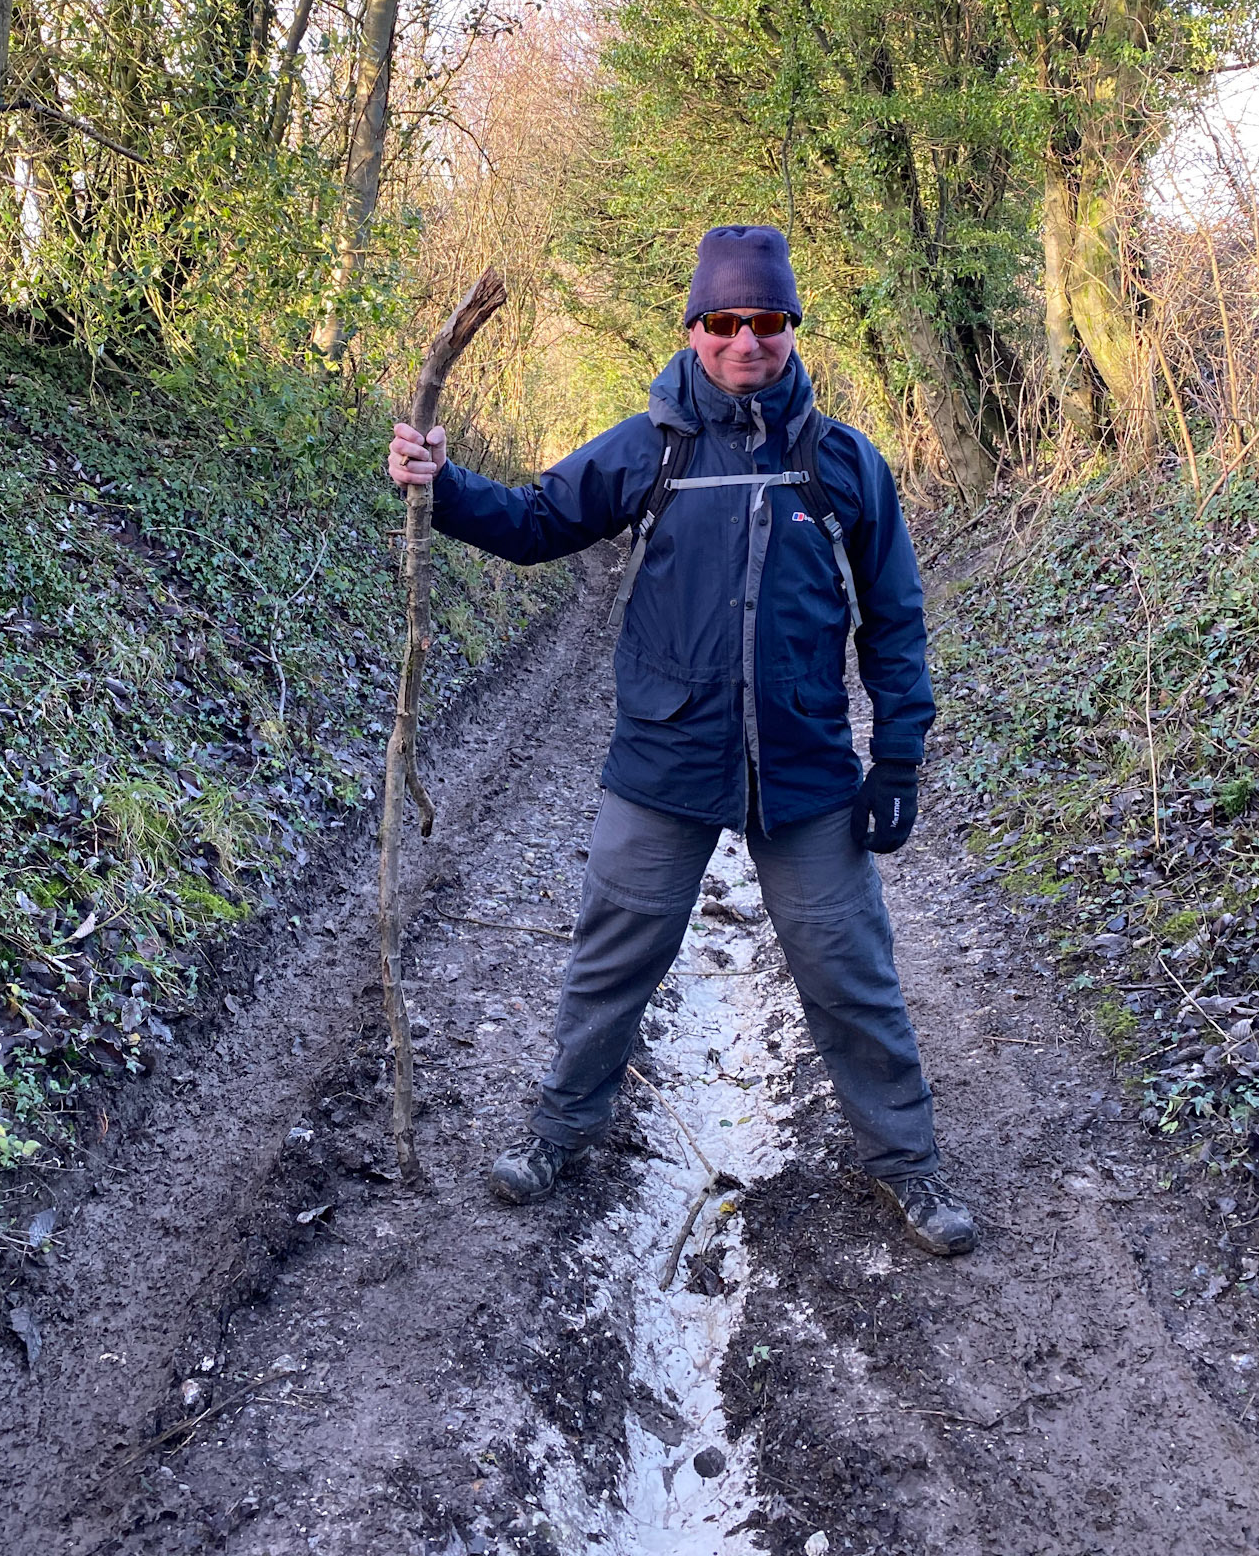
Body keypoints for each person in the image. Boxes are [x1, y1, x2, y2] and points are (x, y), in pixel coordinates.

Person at [387, 225, 974, 1257]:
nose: (747, 340)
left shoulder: (843, 463)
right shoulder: (648, 448)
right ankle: (560, 1132)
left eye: (767, 319)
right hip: (662, 762)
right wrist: (442, 484)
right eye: (725, 320)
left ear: (792, 326)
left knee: (851, 972)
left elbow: (895, 621)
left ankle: (907, 1163)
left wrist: (898, 757)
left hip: (805, 770)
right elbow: (533, 522)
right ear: (695, 327)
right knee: (610, 961)